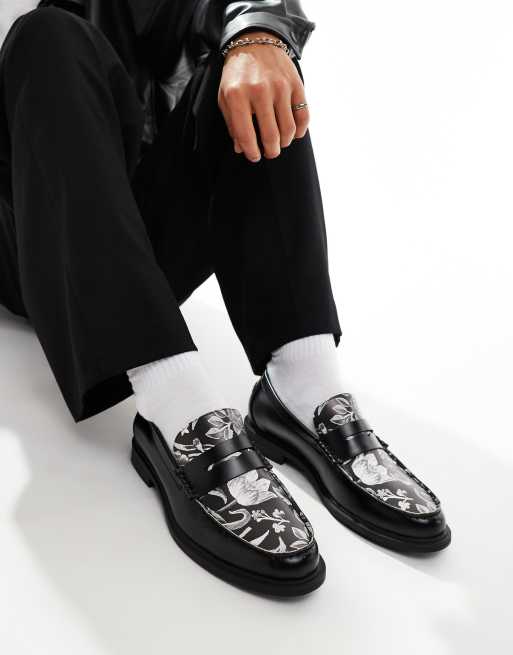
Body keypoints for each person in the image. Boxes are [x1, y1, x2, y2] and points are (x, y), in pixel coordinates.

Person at [0, 0, 450, 597]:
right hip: (30, 236)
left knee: (250, 61)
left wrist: (259, 32)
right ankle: (175, 405)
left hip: (144, 245)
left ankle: (303, 383)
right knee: (47, 35)